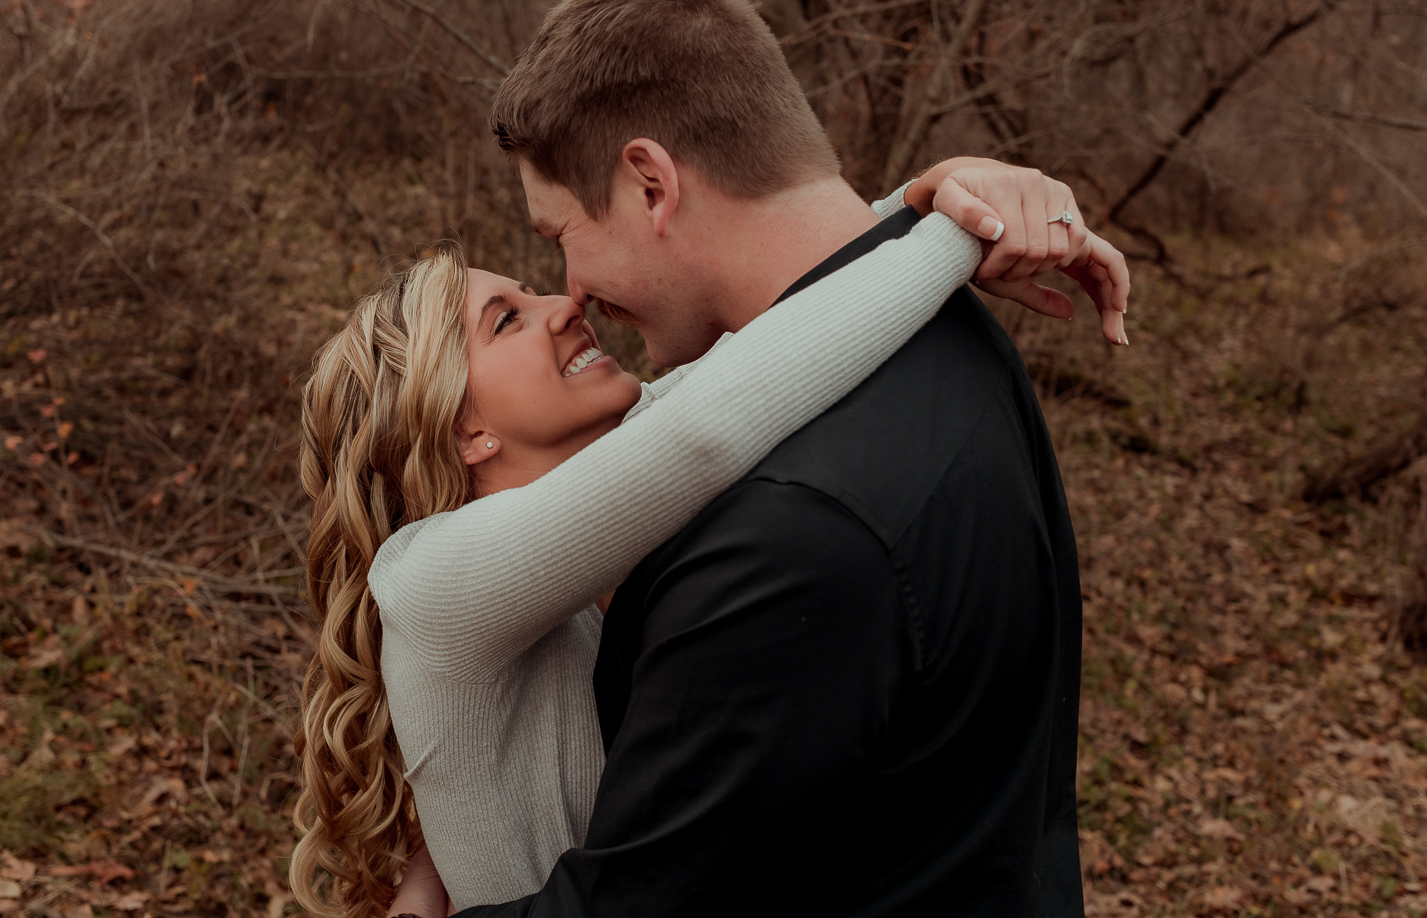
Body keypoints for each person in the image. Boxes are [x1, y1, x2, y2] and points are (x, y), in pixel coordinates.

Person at [415, 0, 1113, 918]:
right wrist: (927, 221)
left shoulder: (786, 536)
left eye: (559, 236)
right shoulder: (952, 338)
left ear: (651, 184)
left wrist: (937, 225)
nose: (568, 293)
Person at [288, 186, 1125, 916]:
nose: (563, 305)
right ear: (464, 429)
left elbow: (760, 347)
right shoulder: (431, 577)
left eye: (533, 289)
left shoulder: (577, 509)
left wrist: (932, 201)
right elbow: (711, 425)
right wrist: (958, 234)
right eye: (507, 320)